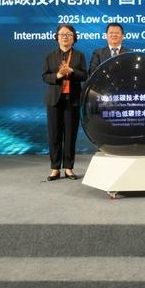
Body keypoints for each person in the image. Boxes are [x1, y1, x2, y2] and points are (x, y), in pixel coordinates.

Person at [42, 24, 87, 181]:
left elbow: (84, 75)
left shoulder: (79, 56)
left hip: (72, 99)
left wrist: (71, 71)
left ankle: (68, 168)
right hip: (54, 100)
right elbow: (45, 76)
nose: (65, 37)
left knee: (70, 135)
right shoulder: (50, 56)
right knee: (54, 134)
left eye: (68, 34)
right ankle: (55, 168)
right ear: (57, 37)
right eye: (62, 34)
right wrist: (59, 75)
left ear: (74, 38)